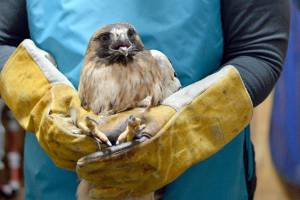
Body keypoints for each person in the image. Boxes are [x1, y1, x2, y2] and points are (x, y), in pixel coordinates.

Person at [0, 0, 289, 199]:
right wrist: (42, 101)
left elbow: (259, 49)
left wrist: (188, 123)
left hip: (200, 181)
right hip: (63, 180)